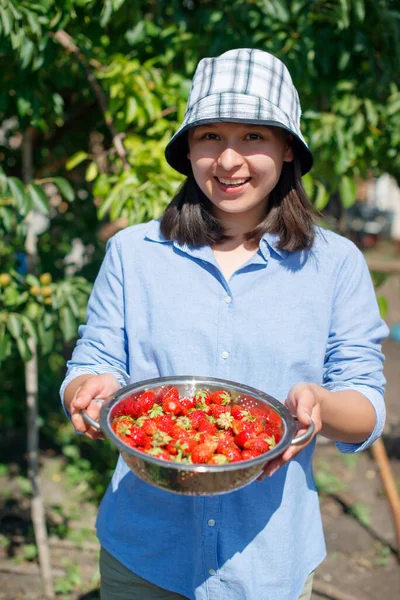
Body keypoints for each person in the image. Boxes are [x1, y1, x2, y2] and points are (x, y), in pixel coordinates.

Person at [61, 48, 388, 600]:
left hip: (270, 563)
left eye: (254, 137)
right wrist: (86, 387)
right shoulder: (133, 253)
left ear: (288, 149)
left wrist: (319, 405)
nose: (229, 160)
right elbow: (96, 360)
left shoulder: (335, 264)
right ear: (188, 148)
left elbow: (367, 404)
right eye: (210, 136)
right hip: (145, 556)